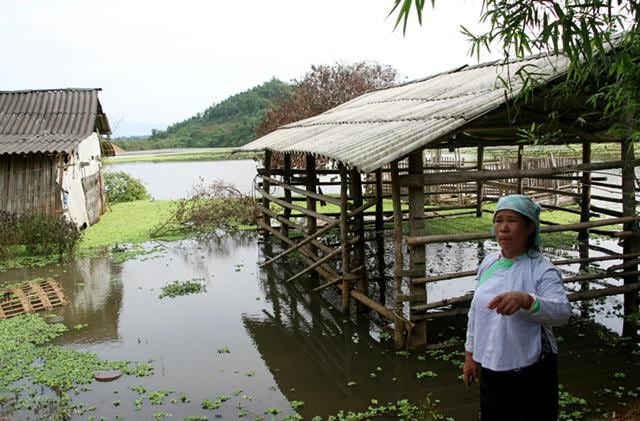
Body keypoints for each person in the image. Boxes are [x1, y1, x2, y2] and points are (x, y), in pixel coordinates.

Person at [463, 194, 571, 421]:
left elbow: (562, 312)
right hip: (492, 366)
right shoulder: (489, 263)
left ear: (529, 227)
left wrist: (527, 301)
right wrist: (470, 355)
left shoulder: (541, 269)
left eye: (511, 220)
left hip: (531, 370)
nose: (503, 228)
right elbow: (476, 312)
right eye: (498, 220)